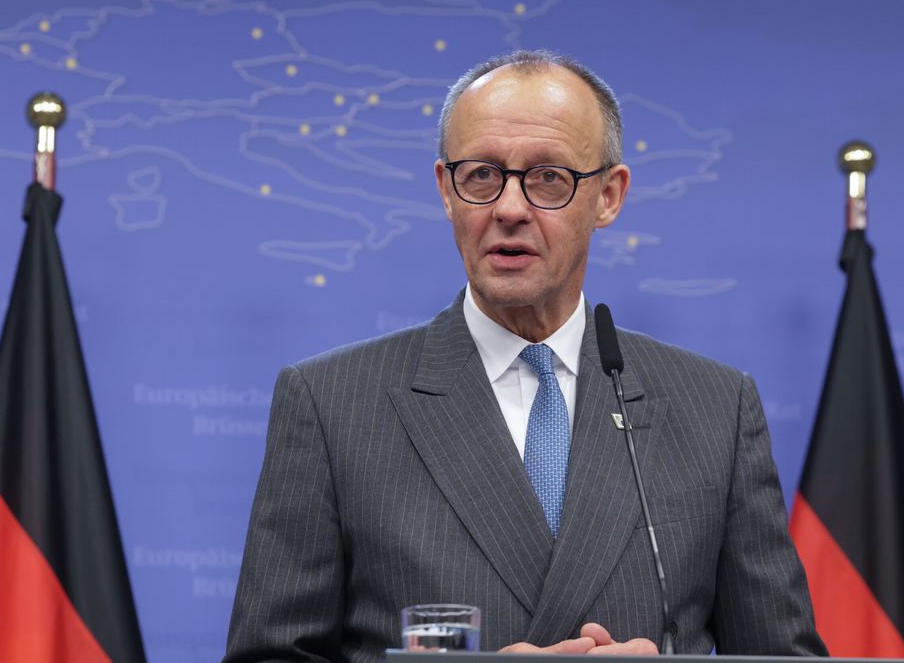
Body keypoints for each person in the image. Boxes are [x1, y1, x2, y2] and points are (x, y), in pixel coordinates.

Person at [224, 50, 826, 661]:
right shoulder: (332, 405)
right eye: (482, 174)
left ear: (608, 196)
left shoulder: (715, 409)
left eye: (548, 178)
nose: (509, 209)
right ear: (446, 190)